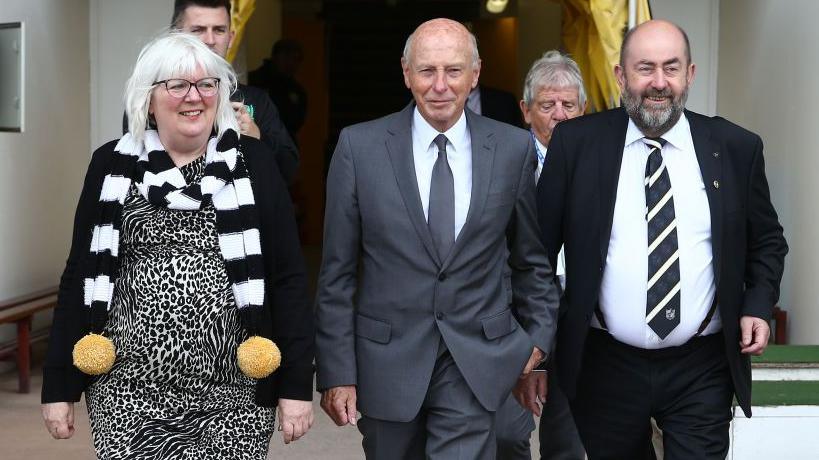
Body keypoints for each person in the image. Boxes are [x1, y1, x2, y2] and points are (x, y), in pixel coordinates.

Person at [40, 32, 315, 458]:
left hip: (233, 396)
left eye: (207, 85)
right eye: (178, 85)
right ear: (149, 99)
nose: (196, 97)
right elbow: (79, 273)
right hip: (127, 393)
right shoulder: (111, 164)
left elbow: (289, 279)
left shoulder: (254, 163)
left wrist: (296, 383)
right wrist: (58, 385)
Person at [522, 19, 787, 459]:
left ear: (691, 74)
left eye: (671, 67)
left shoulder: (735, 147)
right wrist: (539, 353)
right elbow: (535, 255)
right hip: (604, 364)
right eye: (645, 68)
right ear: (620, 76)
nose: (658, 83)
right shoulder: (577, 144)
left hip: (702, 365)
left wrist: (757, 305)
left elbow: (767, 242)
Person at [315, 18, 559, 459]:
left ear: (476, 74)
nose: (440, 85)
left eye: (453, 71)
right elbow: (336, 274)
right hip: (387, 362)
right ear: (406, 74)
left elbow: (531, 262)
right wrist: (337, 371)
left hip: (476, 362)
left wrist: (537, 342)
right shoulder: (359, 148)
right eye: (427, 71)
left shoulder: (511, 149)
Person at [495, 50, 587, 460]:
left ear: (583, 109)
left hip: (577, 306)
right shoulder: (502, 162)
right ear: (526, 111)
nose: (559, 115)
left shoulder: (599, 162)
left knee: (568, 438)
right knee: (508, 435)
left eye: (569, 105)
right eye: (547, 105)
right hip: (514, 308)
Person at [171, 0, 299, 184]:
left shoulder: (256, 100)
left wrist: (258, 139)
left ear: (231, 37)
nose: (210, 40)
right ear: (177, 36)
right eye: (198, 30)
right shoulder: (155, 100)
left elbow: (289, 169)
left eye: (219, 30)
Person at [249, 39, 308, 142]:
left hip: (284, 145)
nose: (292, 64)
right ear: (277, 56)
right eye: (289, 58)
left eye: (297, 59)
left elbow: (296, 122)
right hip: (255, 141)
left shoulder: (296, 90)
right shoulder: (255, 80)